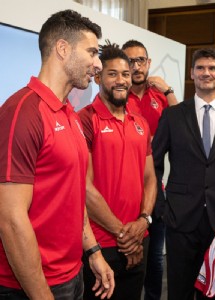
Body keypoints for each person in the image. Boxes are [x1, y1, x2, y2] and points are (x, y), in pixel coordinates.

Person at [0, 9, 114, 300]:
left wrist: (93, 251)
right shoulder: (22, 112)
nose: (97, 63)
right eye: (91, 52)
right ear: (63, 49)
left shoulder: (70, 115)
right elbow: (10, 219)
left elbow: (73, 197)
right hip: (29, 286)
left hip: (72, 276)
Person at [152, 47, 215, 300]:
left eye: (212, 68)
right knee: (179, 290)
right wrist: (161, 207)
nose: (206, 73)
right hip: (180, 219)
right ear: (192, 73)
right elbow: (153, 164)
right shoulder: (173, 115)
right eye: (200, 68)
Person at [78, 43, 157, 300]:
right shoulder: (85, 120)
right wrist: (123, 234)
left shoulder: (141, 123)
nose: (121, 80)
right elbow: (85, 189)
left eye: (125, 74)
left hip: (138, 238)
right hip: (101, 244)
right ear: (98, 77)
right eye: (113, 74)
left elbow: (150, 179)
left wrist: (144, 220)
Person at [122, 39, 178, 300]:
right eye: (130, 61)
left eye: (140, 60)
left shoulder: (159, 96)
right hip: (125, 181)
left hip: (154, 179)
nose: (136, 66)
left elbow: (183, 125)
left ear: (148, 63)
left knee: (155, 257)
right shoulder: (120, 95)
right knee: (129, 251)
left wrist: (168, 91)